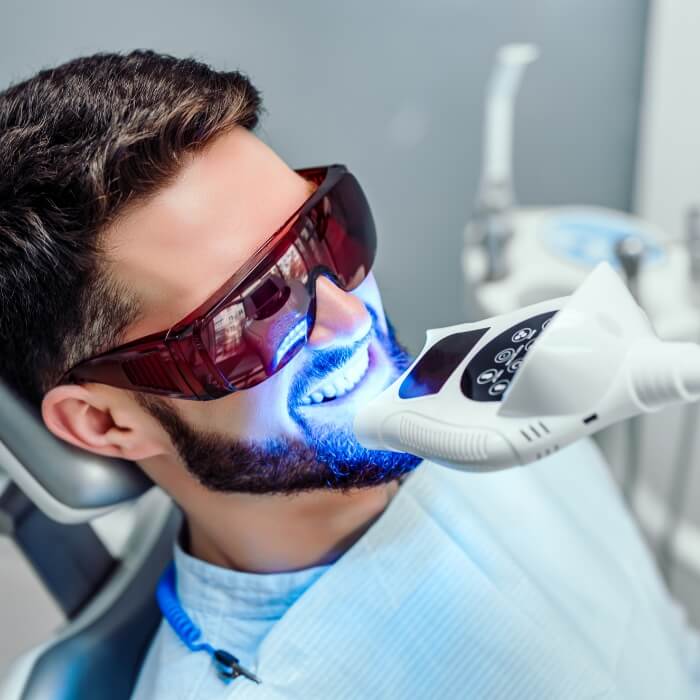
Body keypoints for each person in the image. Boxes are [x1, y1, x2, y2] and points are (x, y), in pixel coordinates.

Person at [1, 49, 699, 700]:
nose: (351, 318)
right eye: (254, 308)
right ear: (106, 421)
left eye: (326, 232)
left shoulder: (514, 394)